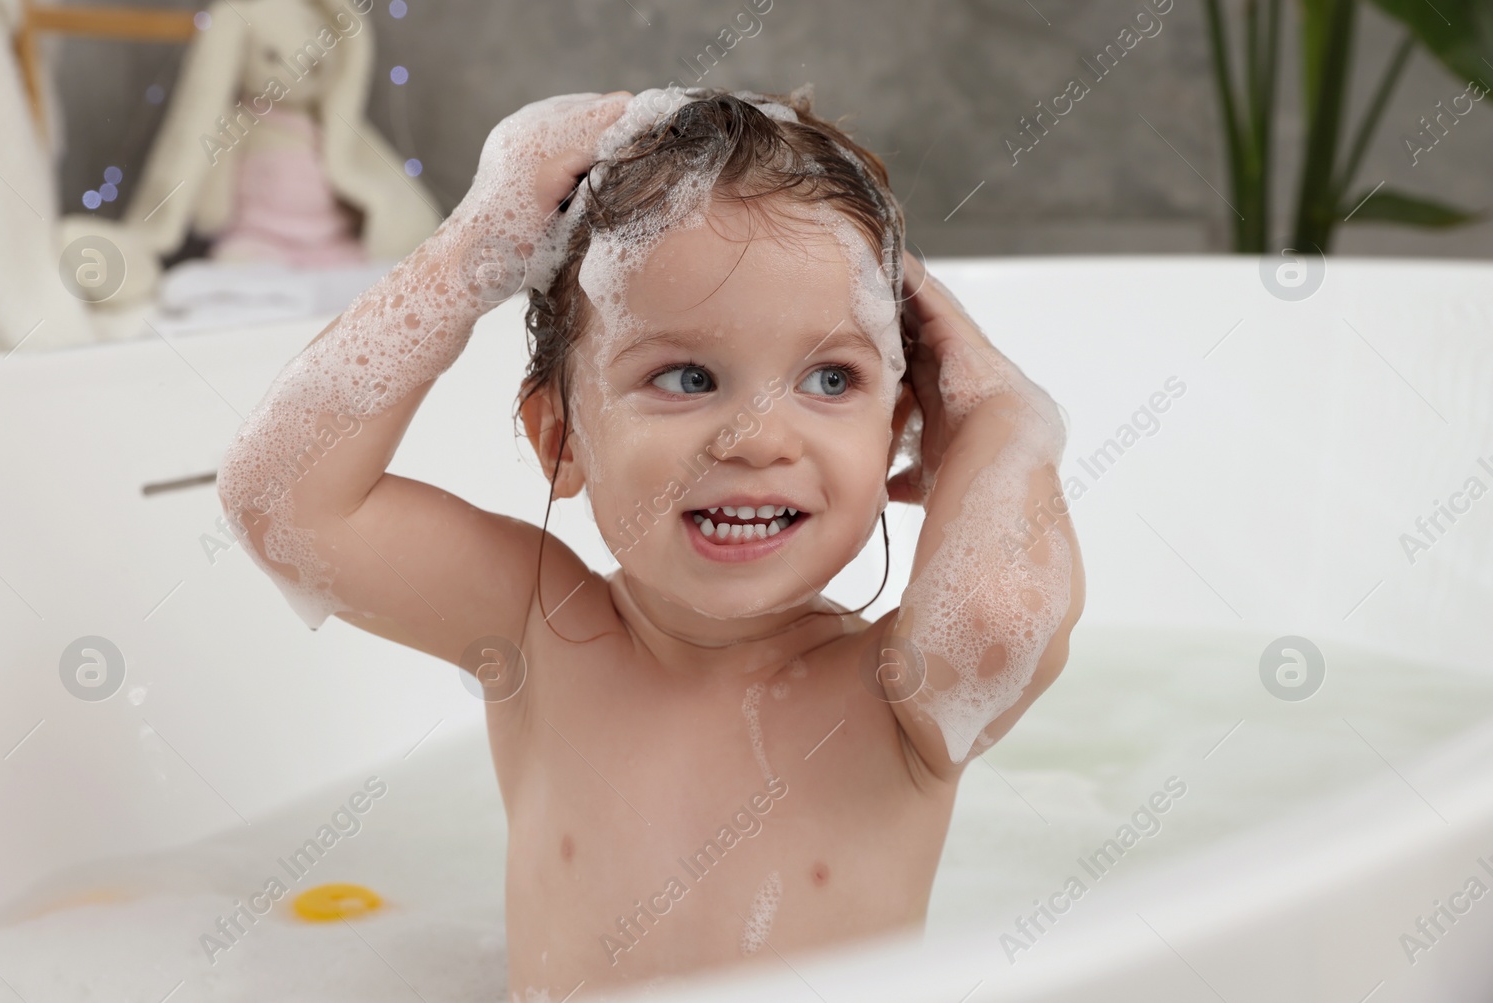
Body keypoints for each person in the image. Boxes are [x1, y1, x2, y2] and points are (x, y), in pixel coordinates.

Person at [216, 85, 1085, 1000]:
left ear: (902, 432)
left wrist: (999, 419)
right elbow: (282, 501)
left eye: (831, 378)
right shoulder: (537, 629)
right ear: (560, 438)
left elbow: (996, 611)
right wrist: (479, 244)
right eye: (687, 375)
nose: (757, 437)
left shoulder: (898, 693)